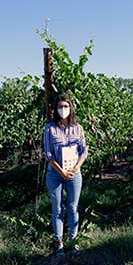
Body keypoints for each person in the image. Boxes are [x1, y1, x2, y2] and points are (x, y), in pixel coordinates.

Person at [43, 94, 88, 256]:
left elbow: (83, 151)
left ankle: (73, 241)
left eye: (66, 107)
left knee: (73, 207)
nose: (63, 110)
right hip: (55, 174)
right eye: (60, 107)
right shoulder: (50, 128)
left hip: (74, 173)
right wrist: (61, 171)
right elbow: (49, 155)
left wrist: (76, 169)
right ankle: (59, 243)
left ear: (71, 109)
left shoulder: (78, 128)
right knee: (57, 208)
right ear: (56, 110)